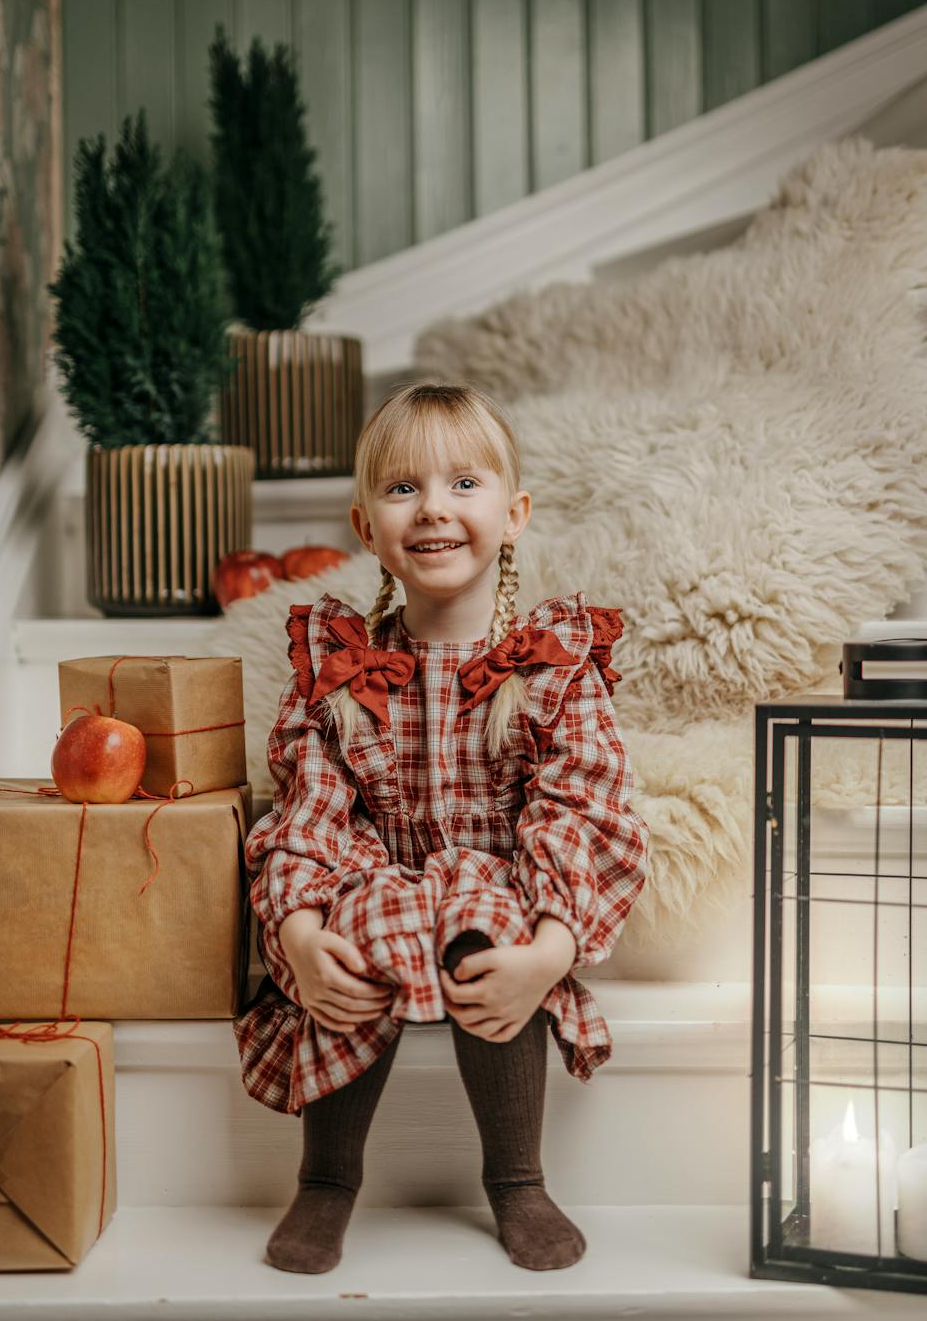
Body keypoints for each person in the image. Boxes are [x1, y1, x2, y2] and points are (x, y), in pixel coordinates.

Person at [233, 381, 650, 1275]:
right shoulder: (341, 671)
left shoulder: (549, 667)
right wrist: (299, 933)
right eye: (402, 489)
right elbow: (309, 811)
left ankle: (517, 1178)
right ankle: (328, 1178)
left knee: (483, 921)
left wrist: (549, 951)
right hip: (376, 883)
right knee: (352, 921)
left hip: (496, 903)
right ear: (364, 523)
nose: (434, 509)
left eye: (465, 484)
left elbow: (582, 807)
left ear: (515, 514)